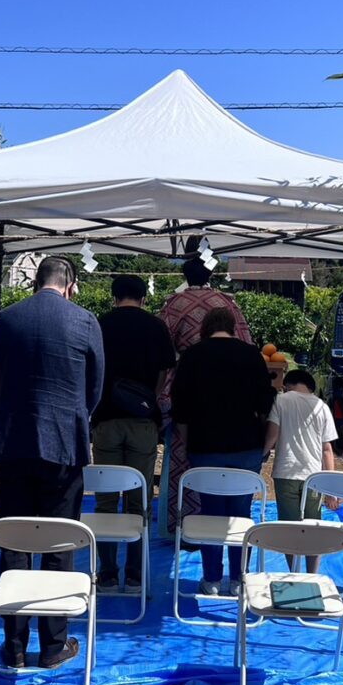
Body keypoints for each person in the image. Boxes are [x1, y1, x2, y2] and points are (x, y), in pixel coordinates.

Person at [0, 257, 104, 670]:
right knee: (58, 542)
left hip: (12, 441)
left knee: (13, 541)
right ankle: (54, 645)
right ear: (69, 285)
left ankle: (13, 646)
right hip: (65, 445)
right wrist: (74, 418)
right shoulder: (85, 321)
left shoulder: (6, 318)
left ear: (36, 282)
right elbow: (95, 387)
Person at [169, 306, 275, 597]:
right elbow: (266, 404)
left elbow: (180, 409)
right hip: (246, 446)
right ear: (233, 327)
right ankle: (240, 578)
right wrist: (263, 446)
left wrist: (188, 442)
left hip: (204, 446)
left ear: (205, 327)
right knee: (241, 514)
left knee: (210, 515)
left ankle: (212, 579)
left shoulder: (192, 356)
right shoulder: (251, 354)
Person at [157, 242, 252, 538]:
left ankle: (181, 525)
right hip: (231, 388)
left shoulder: (173, 303)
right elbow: (247, 343)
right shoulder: (228, 303)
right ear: (211, 273)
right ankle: (229, 530)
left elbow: (163, 349)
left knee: (183, 461)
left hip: (188, 382)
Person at [92, 274, 175, 594]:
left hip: (106, 418)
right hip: (143, 421)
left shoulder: (99, 324)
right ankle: (136, 574)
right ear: (143, 297)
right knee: (139, 502)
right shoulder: (156, 327)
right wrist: (148, 399)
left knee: (106, 501)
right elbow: (165, 370)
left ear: (114, 296)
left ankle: (108, 573)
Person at [263, 368, 337, 573]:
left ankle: (294, 573)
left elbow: (272, 435)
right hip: (314, 477)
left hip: (286, 472)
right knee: (314, 529)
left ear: (288, 384)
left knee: (289, 529)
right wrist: (329, 486)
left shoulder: (281, 401)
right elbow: (327, 449)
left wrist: (260, 455)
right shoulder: (322, 407)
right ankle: (312, 574)